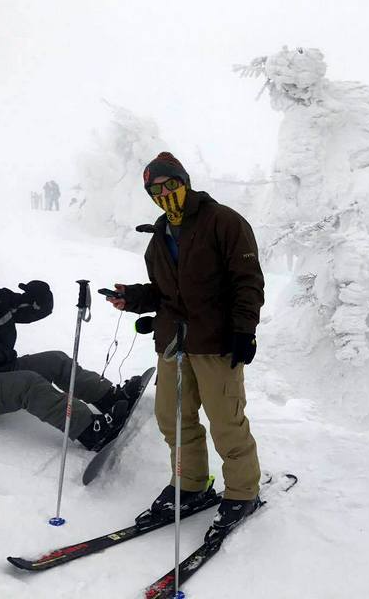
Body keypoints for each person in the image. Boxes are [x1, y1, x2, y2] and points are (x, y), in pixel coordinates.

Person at [107, 152, 264, 539]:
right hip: (174, 344)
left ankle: (243, 492)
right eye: (155, 189)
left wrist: (244, 331)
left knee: (226, 421)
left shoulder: (223, 222)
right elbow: (166, 293)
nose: (164, 193)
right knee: (172, 418)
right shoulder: (159, 237)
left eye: (170, 184)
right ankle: (191, 485)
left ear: (184, 181)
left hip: (216, 342)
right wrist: (136, 299)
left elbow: (248, 281)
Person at [0, 249, 140, 450]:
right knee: (28, 384)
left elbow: (35, 310)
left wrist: (42, 294)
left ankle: (110, 397)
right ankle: (90, 430)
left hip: (3, 369)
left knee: (57, 360)